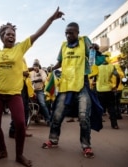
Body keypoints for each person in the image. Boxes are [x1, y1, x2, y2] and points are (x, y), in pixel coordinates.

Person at [0, 7, 64, 167]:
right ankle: (2, 150)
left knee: (20, 123)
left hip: (14, 94)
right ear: (2, 37)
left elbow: (37, 34)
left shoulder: (20, 48)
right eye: (8, 34)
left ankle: (19, 155)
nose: (11, 36)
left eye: (13, 34)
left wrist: (50, 19)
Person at [41, 22, 103, 159]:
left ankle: (86, 146)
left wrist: (96, 48)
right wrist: (52, 68)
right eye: (66, 33)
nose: (68, 35)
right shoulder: (63, 45)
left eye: (71, 33)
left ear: (78, 33)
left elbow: (93, 53)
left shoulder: (84, 41)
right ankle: (53, 139)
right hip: (66, 85)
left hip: (82, 84)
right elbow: (60, 62)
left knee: (83, 117)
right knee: (57, 115)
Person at [9, 58, 33, 138]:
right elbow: (11, 70)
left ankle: (22, 131)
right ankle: (13, 131)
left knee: (25, 109)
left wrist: (32, 68)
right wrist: (23, 73)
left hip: (25, 85)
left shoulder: (22, 58)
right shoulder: (14, 57)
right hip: (18, 85)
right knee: (18, 110)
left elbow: (25, 70)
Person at [96, 54, 120, 129]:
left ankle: (98, 124)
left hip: (99, 90)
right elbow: (118, 76)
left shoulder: (97, 67)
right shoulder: (112, 66)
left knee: (99, 108)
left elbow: (92, 77)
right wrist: (116, 86)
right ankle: (114, 124)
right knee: (111, 108)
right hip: (109, 90)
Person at [30, 59, 51, 126]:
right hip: (31, 90)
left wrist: (35, 80)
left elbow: (44, 79)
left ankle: (48, 120)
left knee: (42, 103)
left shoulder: (42, 71)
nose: (35, 66)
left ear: (39, 65)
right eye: (34, 65)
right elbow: (30, 79)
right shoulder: (31, 72)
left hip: (40, 90)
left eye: (36, 65)